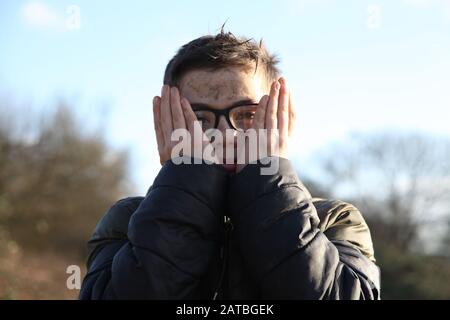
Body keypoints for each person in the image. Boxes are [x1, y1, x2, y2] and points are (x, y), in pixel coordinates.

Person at [79, 30, 380, 300]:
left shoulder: (335, 220)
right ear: (167, 123)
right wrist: (186, 175)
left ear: (281, 118)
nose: (225, 134)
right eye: (199, 120)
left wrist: (266, 176)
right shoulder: (126, 220)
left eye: (247, 115)